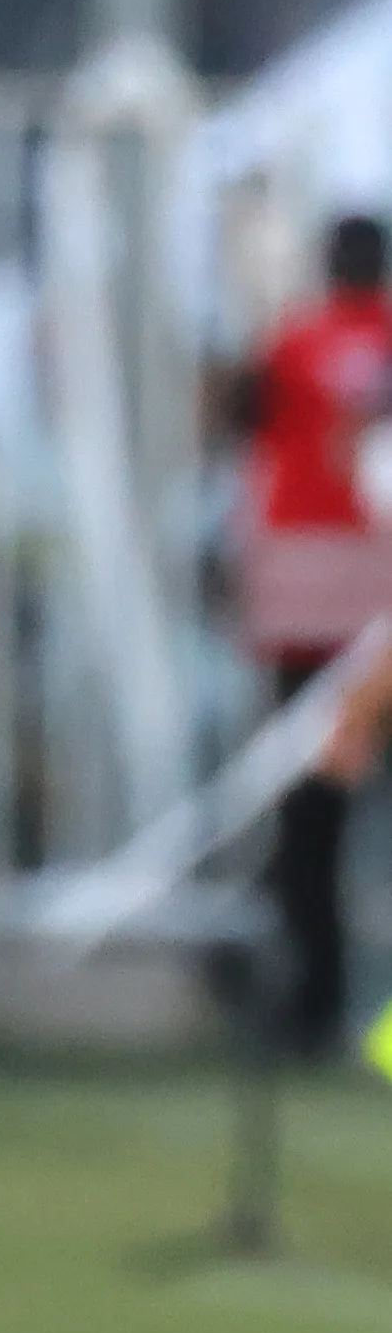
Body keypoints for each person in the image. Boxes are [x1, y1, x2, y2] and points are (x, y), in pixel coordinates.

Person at [241, 214, 392, 1058]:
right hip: (377, 599)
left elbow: (243, 424)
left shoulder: (290, 341)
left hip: (302, 602)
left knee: (307, 819)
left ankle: (315, 1004)